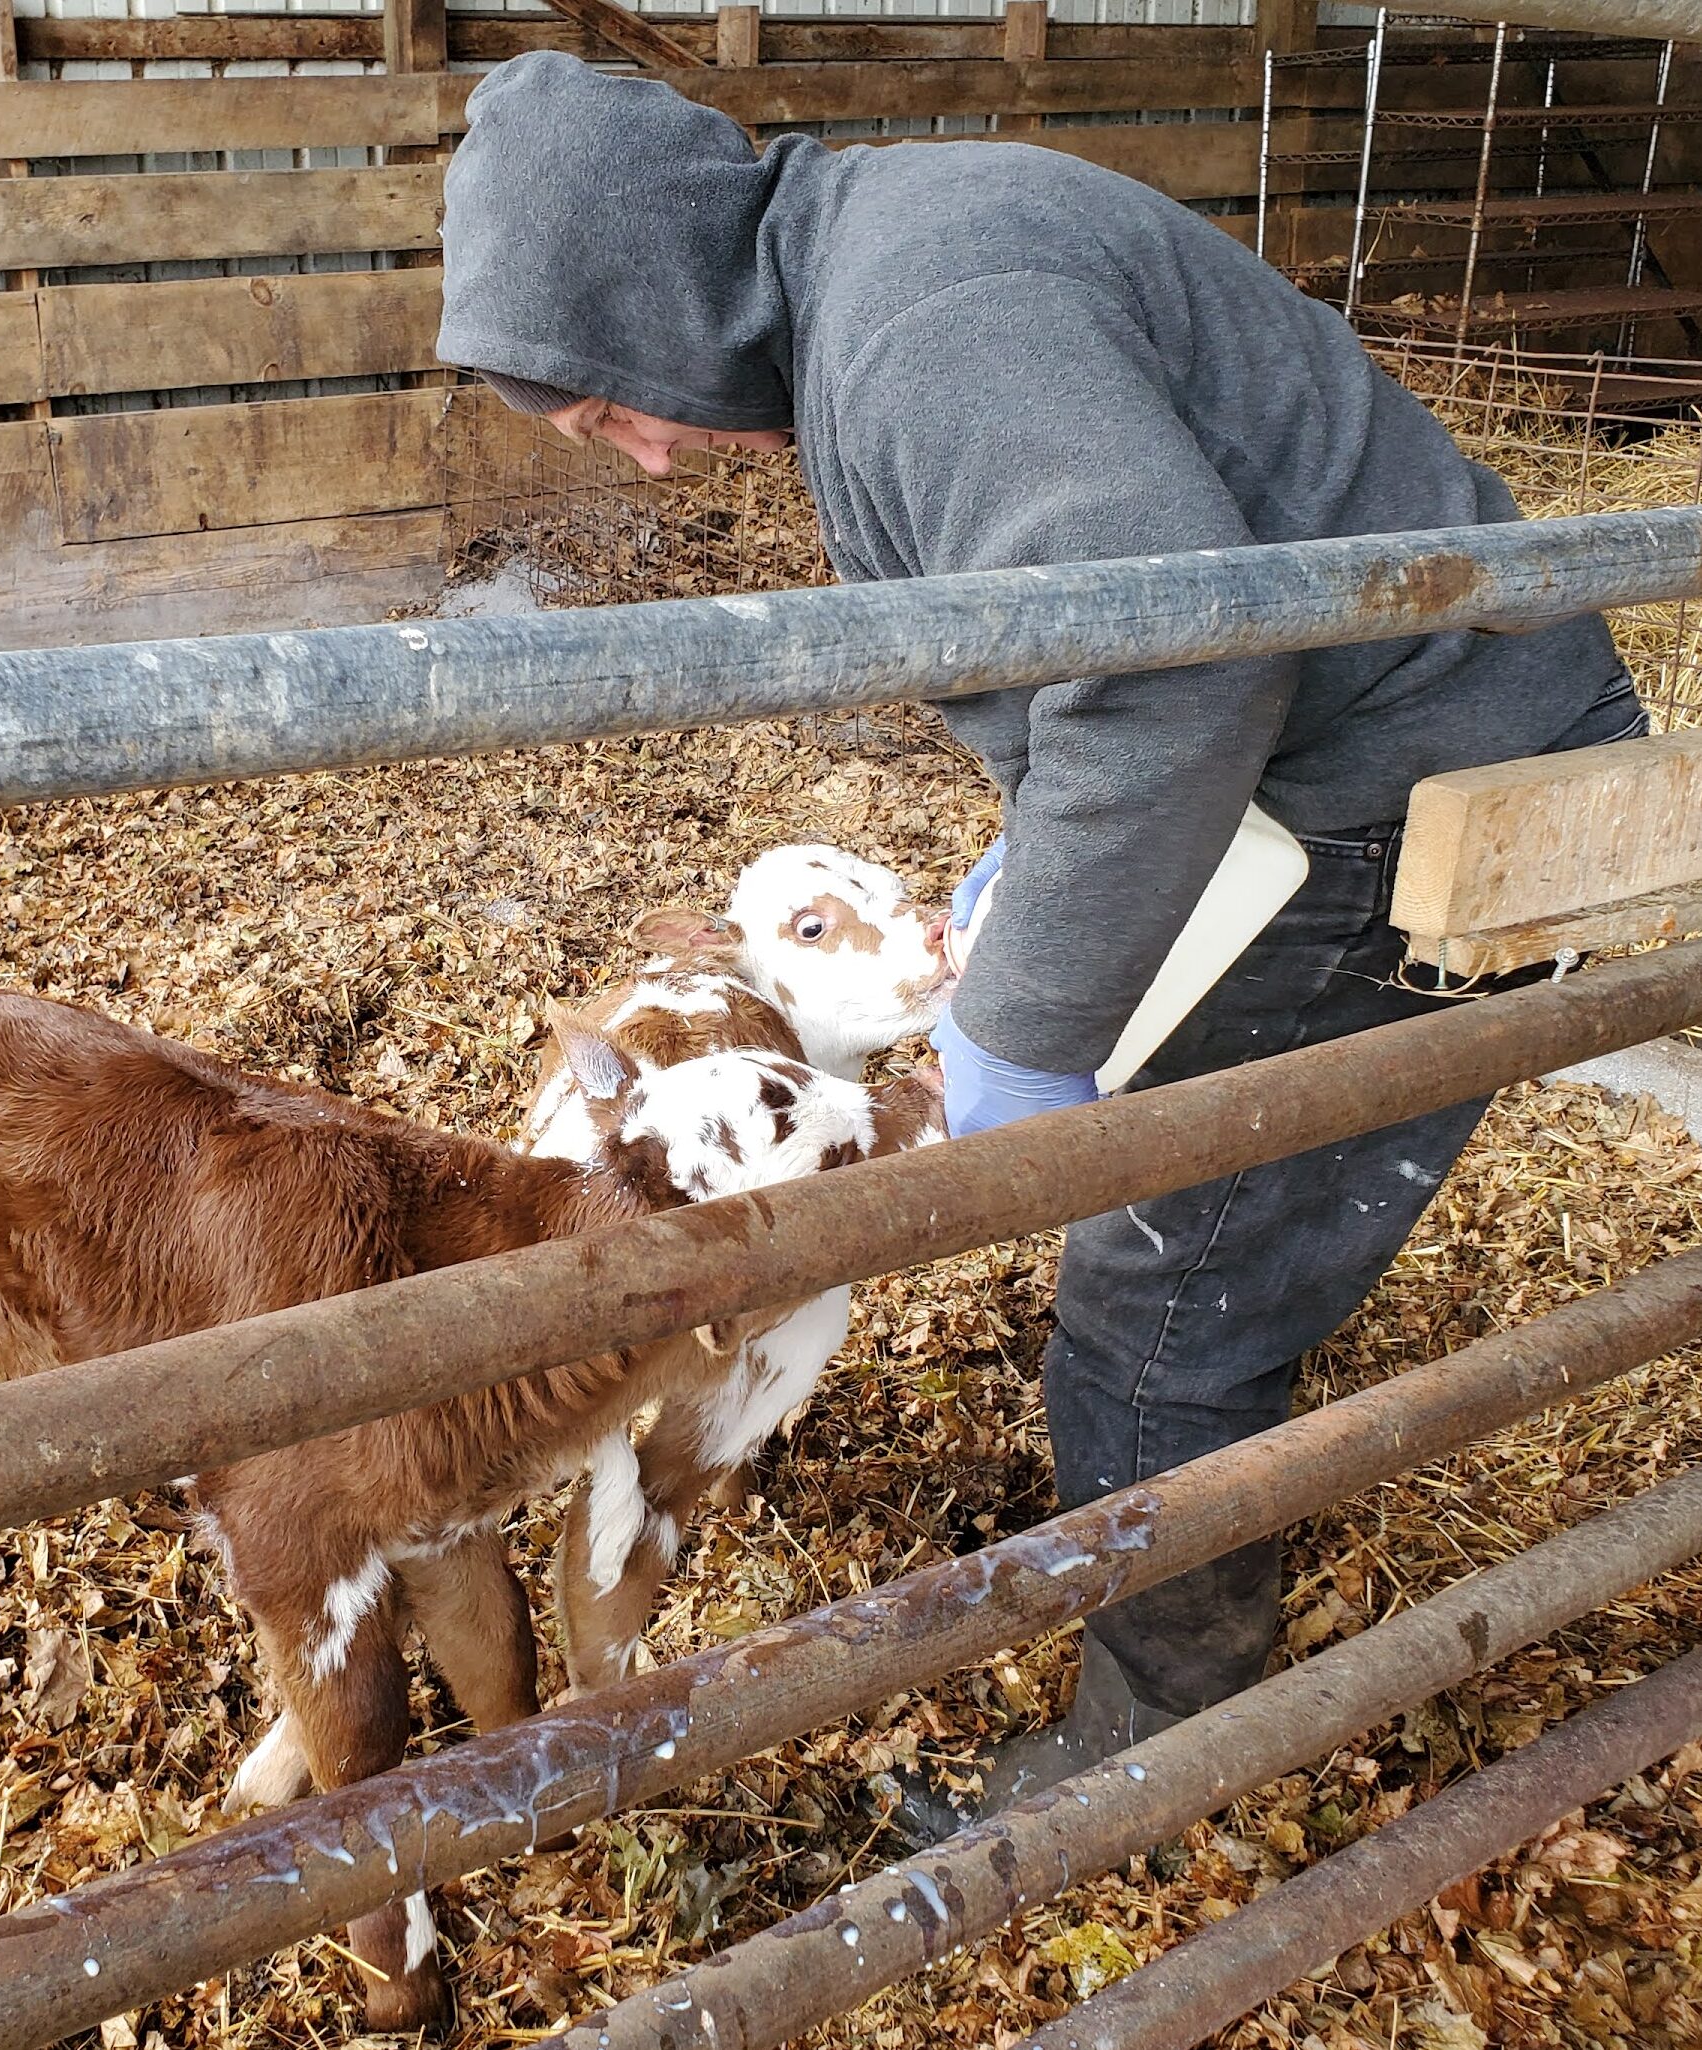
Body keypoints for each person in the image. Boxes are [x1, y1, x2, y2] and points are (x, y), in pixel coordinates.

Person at [435, 50, 1648, 1836]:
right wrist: (1030, 834)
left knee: (1164, 1269)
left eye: (608, 401)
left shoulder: (926, 326)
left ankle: (1146, 1752)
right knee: (1164, 1204)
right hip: (1376, 737)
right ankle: (1155, 1547)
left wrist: (1023, 1028)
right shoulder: (892, 264)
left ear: (658, 281)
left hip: (1417, 777)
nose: (641, 445)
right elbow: (1118, 617)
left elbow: (1173, 663)